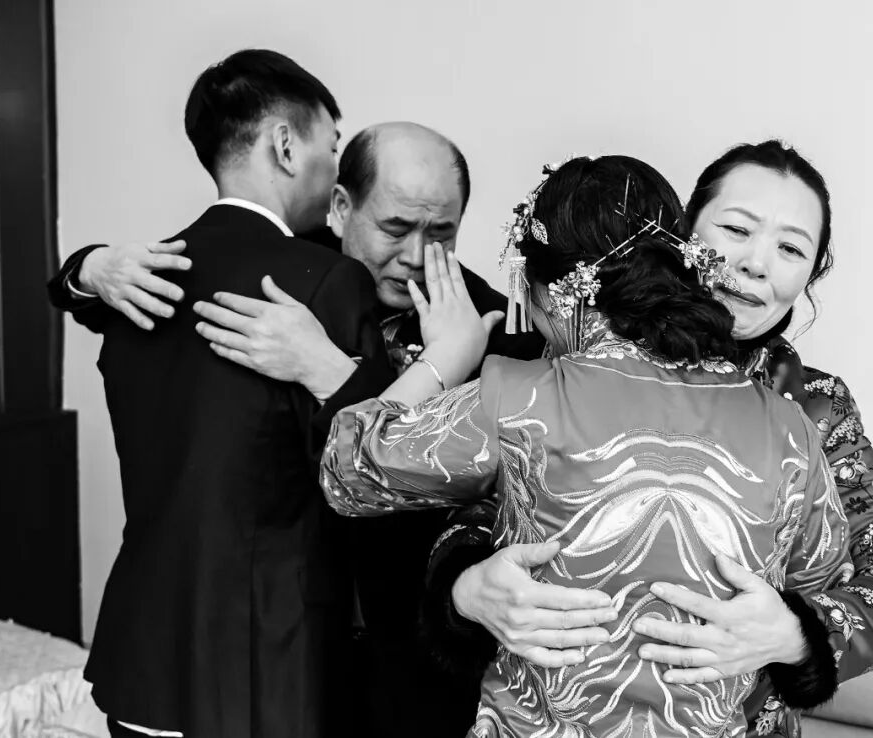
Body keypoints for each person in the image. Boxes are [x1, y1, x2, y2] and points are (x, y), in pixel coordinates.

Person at [319, 154, 852, 737]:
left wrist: (446, 357)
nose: (754, 263)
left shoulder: (519, 395)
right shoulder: (791, 426)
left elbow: (347, 468)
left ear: (550, 292)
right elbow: (821, 573)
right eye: (738, 229)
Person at [47, 121, 550, 736]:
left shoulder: (484, 322)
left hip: (413, 645)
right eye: (395, 229)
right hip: (289, 640)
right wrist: (90, 268)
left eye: (441, 232)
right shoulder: (282, 272)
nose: (418, 256)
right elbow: (149, 304)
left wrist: (335, 372)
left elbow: (495, 494)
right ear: (341, 207)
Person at [429, 141, 873, 736]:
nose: (756, 264)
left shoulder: (812, 405)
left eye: (791, 248)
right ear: (679, 236)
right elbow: (479, 508)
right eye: (737, 230)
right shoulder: (570, 358)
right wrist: (465, 586)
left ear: (810, 276)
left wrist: (796, 634)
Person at [55, 49, 397, 738]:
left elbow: (76, 296)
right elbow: (375, 465)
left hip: (144, 656)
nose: (336, 174)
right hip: (267, 660)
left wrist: (83, 269)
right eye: (331, 147)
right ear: (285, 145)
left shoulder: (136, 276)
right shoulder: (328, 282)